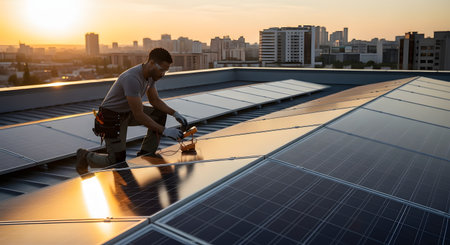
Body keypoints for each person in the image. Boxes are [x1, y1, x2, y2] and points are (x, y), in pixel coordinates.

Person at [76, 48, 188, 175]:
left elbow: (155, 100)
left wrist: (175, 113)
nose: (163, 74)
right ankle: (85, 156)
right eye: (161, 70)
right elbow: (139, 115)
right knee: (116, 161)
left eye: (165, 71)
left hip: (127, 112)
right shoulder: (132, 78)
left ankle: (146, 153)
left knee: (159, 114)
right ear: (151, 63)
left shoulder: (151, 76)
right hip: (111, 117)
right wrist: (165, 131)